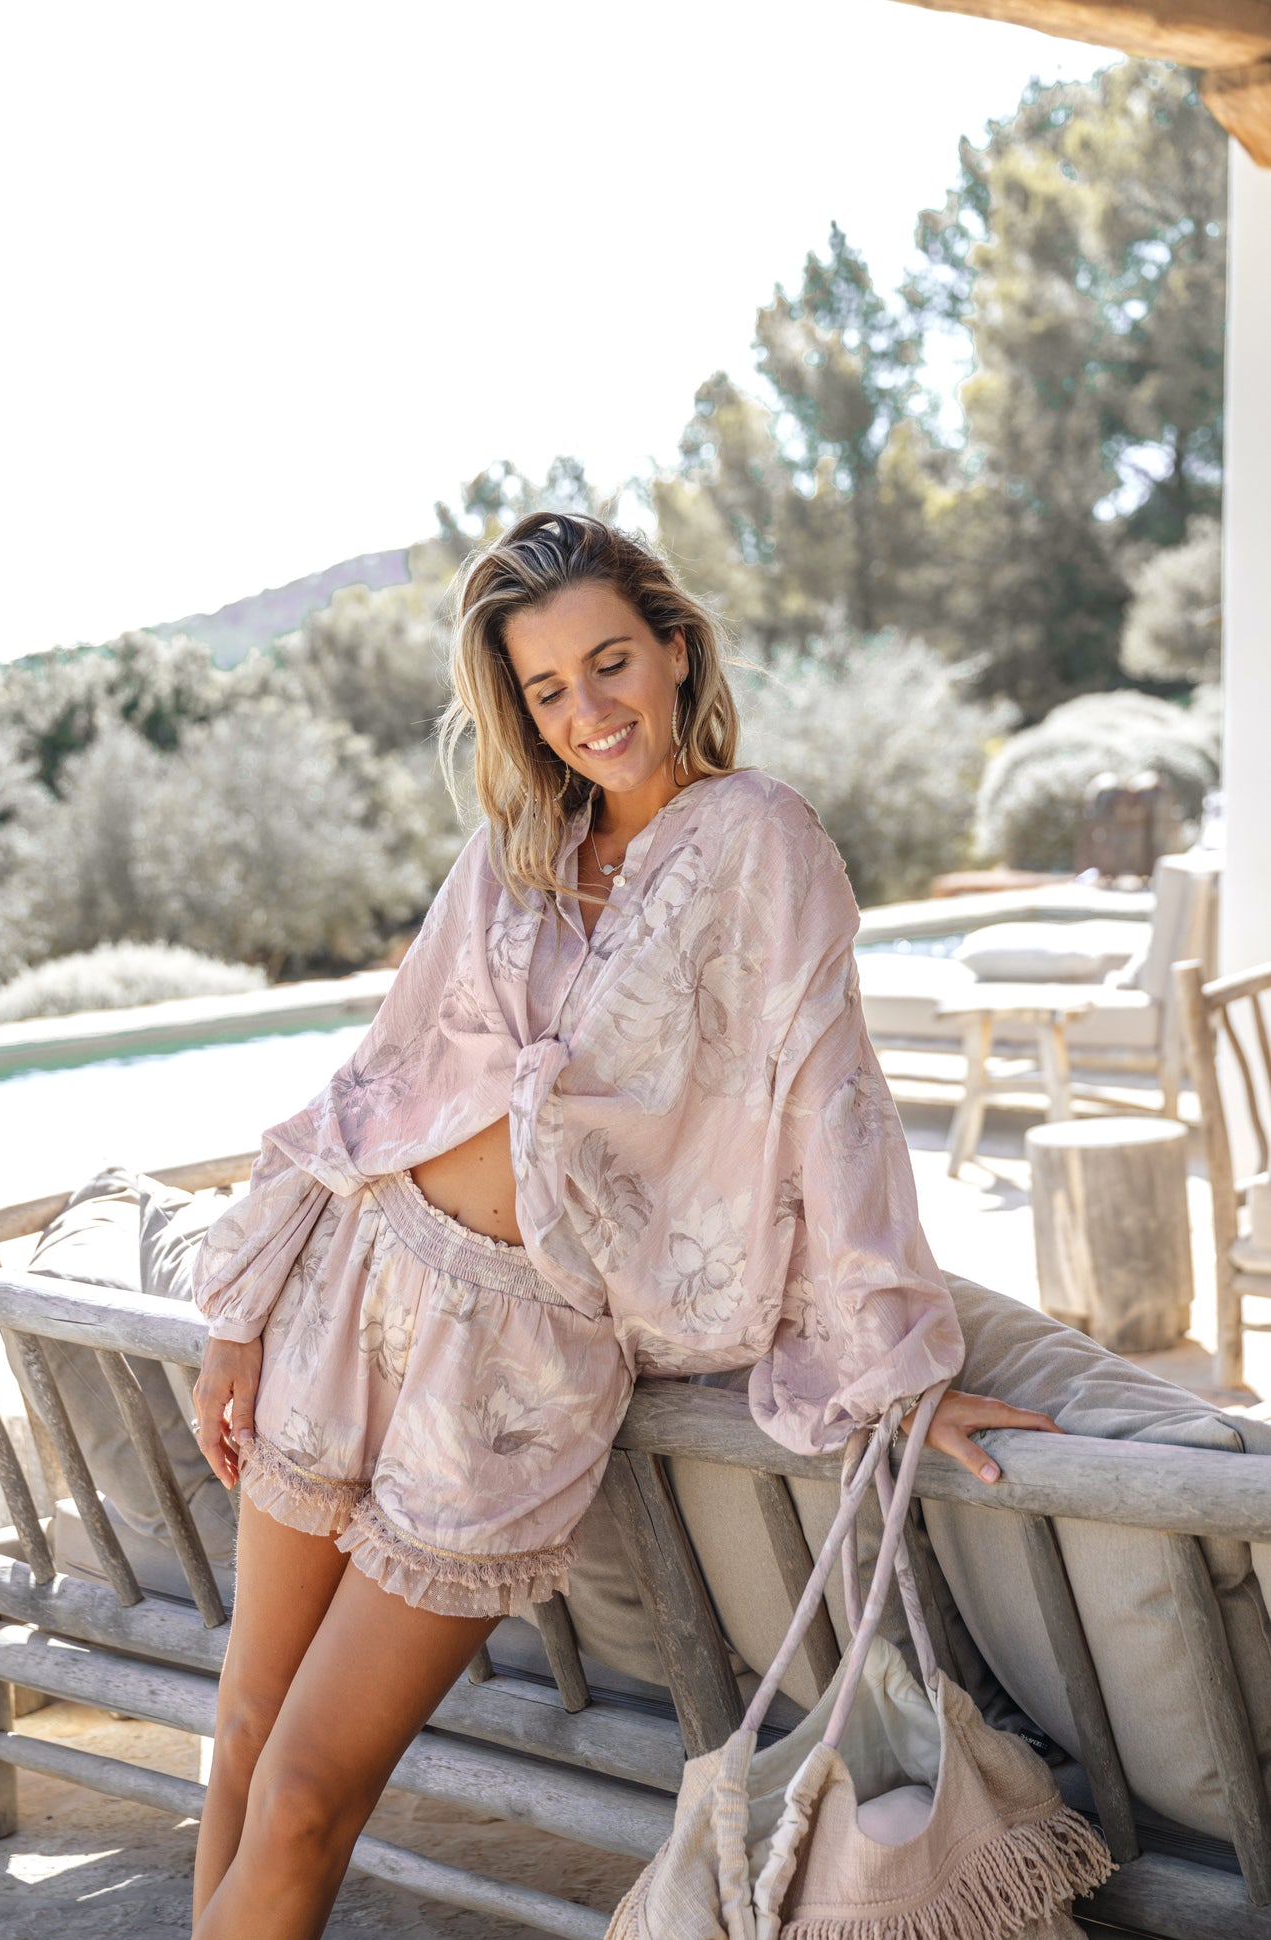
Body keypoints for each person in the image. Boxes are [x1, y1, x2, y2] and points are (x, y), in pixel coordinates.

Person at [187, 512, 1060, 1938]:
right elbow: (377, 1080)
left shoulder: (763, 841)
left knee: (304, 1796)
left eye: (609, 663)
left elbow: (833, 1101)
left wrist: (902, 1374)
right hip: (353, 1285)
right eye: (546, 689)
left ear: (674, 650)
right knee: (244, 1732)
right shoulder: (514, 850)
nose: (588, 711)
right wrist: (240, 1312)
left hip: (517, 1368)